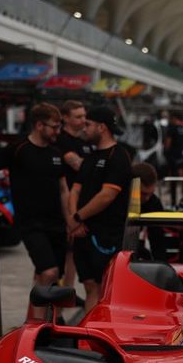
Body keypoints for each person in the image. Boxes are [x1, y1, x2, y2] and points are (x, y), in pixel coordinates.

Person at [0, 103, 68, 318]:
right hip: (31, 224)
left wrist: (71, 222)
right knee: (49, 272)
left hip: (56, 224)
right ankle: (37, 325)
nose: (57, 131)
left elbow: (64, 190)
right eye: (54, 127)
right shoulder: (18, 149)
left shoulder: (56, 153)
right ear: (39, 125)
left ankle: (35, 322)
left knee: (47, 277)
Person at [68, 105, 134, 312]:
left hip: (105, 236)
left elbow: (107, 196)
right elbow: (75, 190)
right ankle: (87, 338)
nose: (83, 128)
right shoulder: (90, 158)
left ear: (101, 127)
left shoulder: (119, 157)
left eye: (88, 124)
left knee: (104, 287)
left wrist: (78, 217)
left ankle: (99, 336)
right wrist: (73, 220)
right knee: (89, 286)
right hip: (82, 233)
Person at [56, 100, 91, 296]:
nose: (82, 120)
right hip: (67, 202)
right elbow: (77, 165)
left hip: (82, 204)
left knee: (73, 252)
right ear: (66, 118)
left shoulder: (85, 142)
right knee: (64, 250)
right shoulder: (62, 141)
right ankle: (58, 293)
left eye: (84, 116)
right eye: (78, 117)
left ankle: (68, 292)